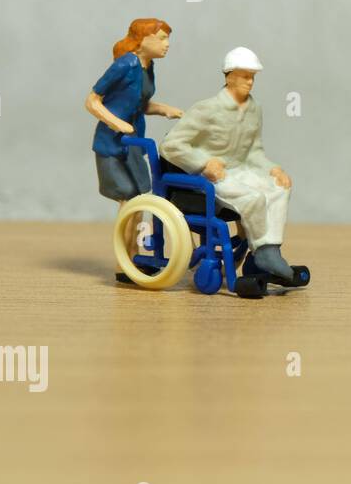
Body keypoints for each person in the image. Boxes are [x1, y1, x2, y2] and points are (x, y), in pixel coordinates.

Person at [160, 47, 306, 286]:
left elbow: (254, 152)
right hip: (209, 179)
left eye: (252, 77)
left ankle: (268, 252)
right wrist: (203, 163)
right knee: (255, 199)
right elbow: (171, 145)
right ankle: (266, 254)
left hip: (241, 170)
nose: (250, 82)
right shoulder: (206, 109)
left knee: (279, 189)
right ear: (229, 76)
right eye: (245, 76)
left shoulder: (254, 109)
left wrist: (273, 169)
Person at [85, 19, 183, 203]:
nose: (167, 44)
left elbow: (138, 103)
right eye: (162, 39)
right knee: (127, 193)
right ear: (143, 39)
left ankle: (135, 233)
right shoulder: (124, 65)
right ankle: (122, 233)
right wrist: (118, 124)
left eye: (168, 39)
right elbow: (92, 101)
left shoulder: (148, 67)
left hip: (133, 143)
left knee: (141, 195)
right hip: (111, 143)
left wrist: (163, 109)